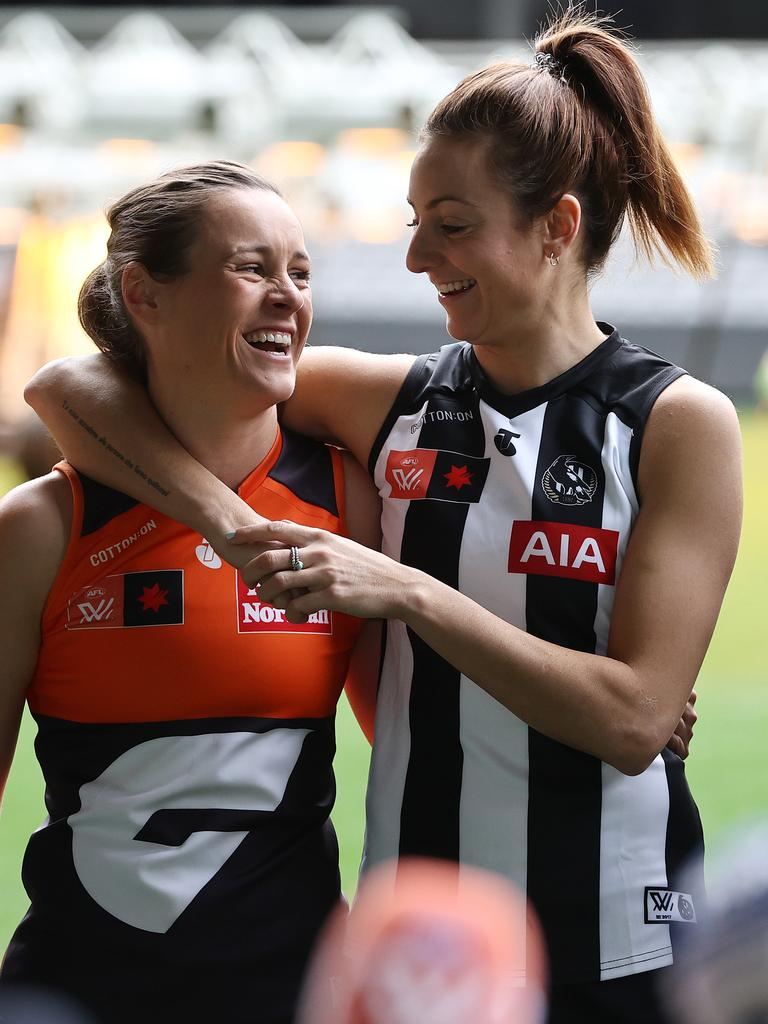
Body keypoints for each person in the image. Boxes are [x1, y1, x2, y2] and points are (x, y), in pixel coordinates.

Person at [25, 10, 737, 1023]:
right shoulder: (391, 403)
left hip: (616, 932)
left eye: (450, 225)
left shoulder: (677, 422)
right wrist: (230, 524)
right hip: (422, 949)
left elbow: (631, 721)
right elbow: (73, 388)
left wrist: (408, 592)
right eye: (412, 220)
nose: (415, 257)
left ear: (558, 227)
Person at [0, 161, 381, 1024]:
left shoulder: (350, 502)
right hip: (76, 994)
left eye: (300, 272)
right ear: (144, 294)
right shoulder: (43, 525)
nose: (287, 295)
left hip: (295, 994)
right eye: (252, 268)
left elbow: (423, 737)